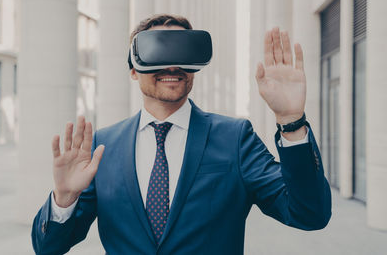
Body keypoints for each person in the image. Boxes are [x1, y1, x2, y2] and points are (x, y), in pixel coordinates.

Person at [31, 14, 331, 255]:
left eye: (183, 52)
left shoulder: (235, 137)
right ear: (134, 69)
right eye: (157, 51)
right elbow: (48, 248)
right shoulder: (102, 148)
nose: (172, 64)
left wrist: (291, 121)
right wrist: (64, 198)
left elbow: (308, 214)